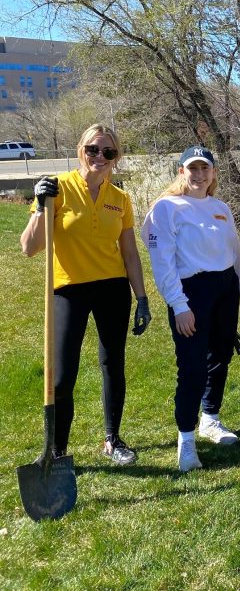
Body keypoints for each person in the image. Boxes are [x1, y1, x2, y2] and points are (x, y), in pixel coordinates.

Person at [19, 124, 151, 465]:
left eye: (108, 153)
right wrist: (39, 202)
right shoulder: (59, 188)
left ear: (116, 158)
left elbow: (130, 253)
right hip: (69, 289)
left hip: (112, 288)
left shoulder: (120, 199)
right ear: (82, 150)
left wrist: (142, 297)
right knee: (62, 375)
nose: (100, 158)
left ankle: (113, 439)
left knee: (112, 365)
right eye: (94, 150)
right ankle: (57, 450)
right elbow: (29, 248)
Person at [142, 146, 240, 472]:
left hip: (225, 290)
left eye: (205, 168)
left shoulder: (220, 208)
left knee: (221, 356)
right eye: (193, 169)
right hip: (191, 293)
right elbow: (162, 263)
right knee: (192, 367)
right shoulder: (166, 209)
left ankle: (210, 419)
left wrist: (238, 292)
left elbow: (235, 252)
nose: (199, 175)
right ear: (181, 171)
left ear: (214, 173)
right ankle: (186, 440)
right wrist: (179, 305)